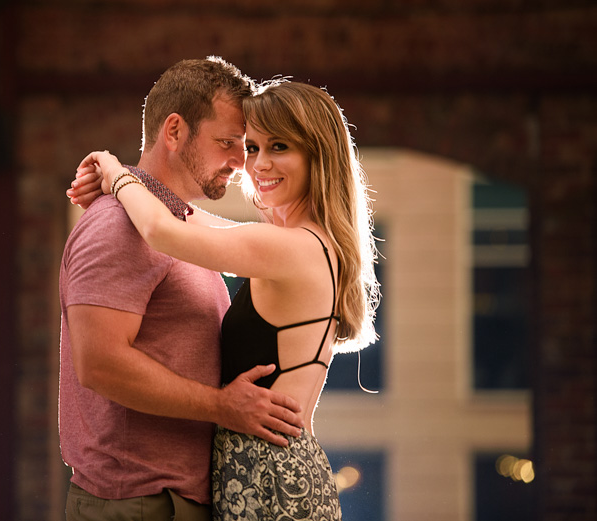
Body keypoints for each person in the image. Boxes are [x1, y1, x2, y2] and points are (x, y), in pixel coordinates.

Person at [72, 78, 379, 520]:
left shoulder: (290, 248)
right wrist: (119, 182)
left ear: (319, 154)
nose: (258, 165)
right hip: (275, 472)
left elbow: (163, 231)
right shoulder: (306, 244)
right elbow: (190, 216)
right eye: (252, 148)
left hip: (269, 480)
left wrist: (114, 170)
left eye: (279, 147)